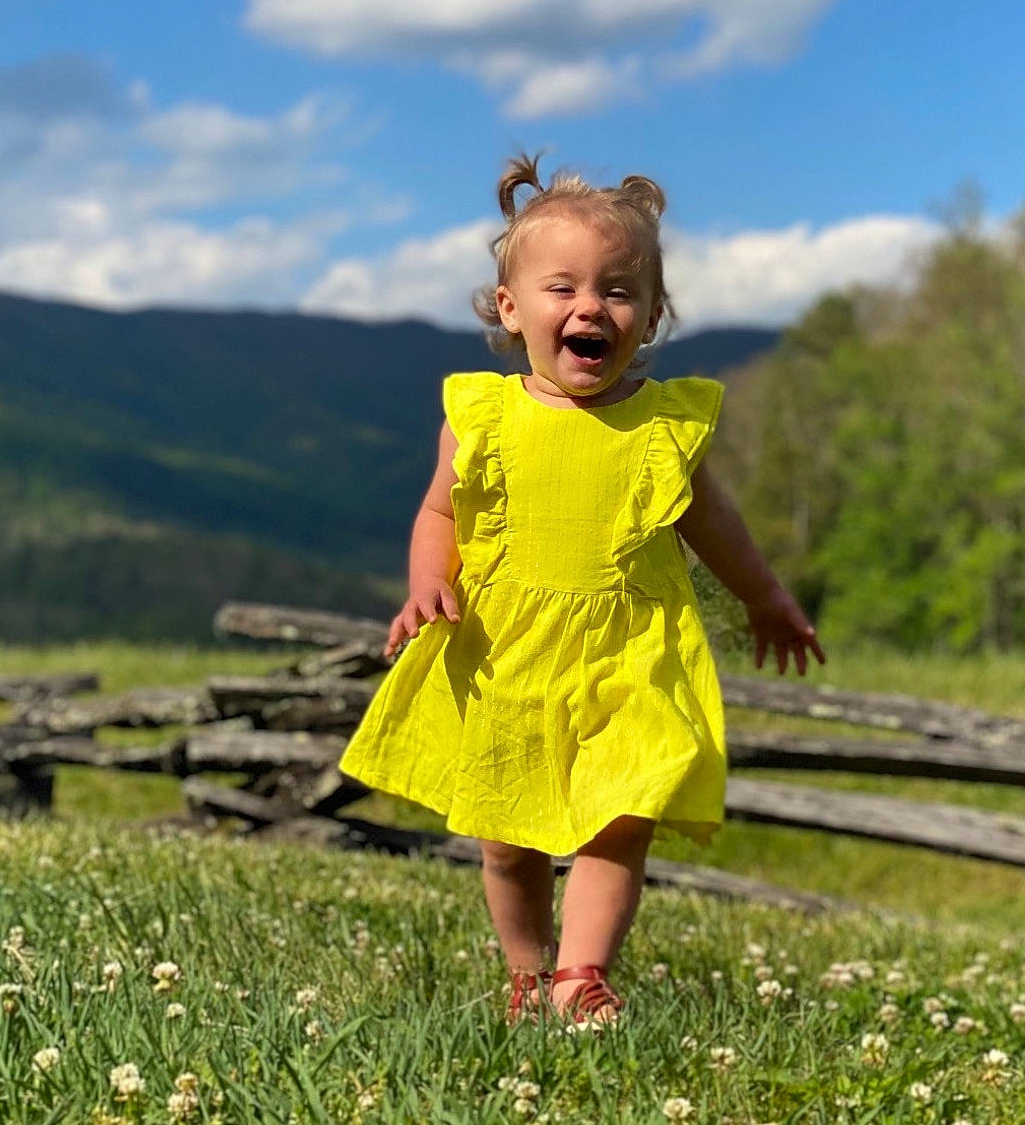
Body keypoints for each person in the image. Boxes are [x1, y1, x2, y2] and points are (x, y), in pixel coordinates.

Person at [339, 155, 824, 1024]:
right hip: (507, 655)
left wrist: (765, 599)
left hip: (627, 654)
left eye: (619, 291)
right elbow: (441, 512)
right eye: (562, 288)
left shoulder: (662, 427)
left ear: (653, 316)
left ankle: (581, 976)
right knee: (507, 840)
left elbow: (715, 525)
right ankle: (527, 973)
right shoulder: (482, 416)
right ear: (510, 308)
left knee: (621, 817)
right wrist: (426, 584)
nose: (591, 307)